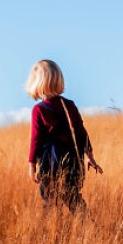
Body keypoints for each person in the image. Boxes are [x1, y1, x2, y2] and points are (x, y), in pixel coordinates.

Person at [25, 59, 102, 212]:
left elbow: (35, 140)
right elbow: (81, 132)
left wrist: (32, 165)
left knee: (51, 201)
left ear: (36, 83)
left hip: (50, 164)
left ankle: (56, 232)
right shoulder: (70, 105)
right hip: (74, 161)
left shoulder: (39, 110)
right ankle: (87, 227)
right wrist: (90, 156)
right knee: (73, 197)